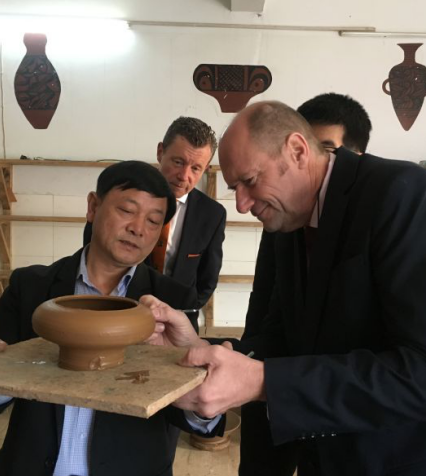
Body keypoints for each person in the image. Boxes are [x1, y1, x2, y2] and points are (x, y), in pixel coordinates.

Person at [144, 100, 426, 476]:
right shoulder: (289, 217)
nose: (241, 205)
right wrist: (200, 350)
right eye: (235, 188)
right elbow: (281, 339)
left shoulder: (401, 193)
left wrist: (265, 382)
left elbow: (418, 371)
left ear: (297, 150)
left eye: (250, 181)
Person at [0, 161, 224, 476]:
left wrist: (204, 388)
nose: (138, 228)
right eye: (127, 211)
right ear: (93, 206)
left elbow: (193, 417)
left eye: (153, 220)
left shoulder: (172, 303)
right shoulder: (31, 287)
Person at [239, 92, 373, 476]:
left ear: (355, 157)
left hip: (354, 428)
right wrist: (235, 358)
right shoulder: (282, 220)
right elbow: (267, 310)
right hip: (279, 404)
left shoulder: (386, 214)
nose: (309, 164)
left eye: (325, 151)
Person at [83, 117, 226, 327]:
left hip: (178, 319)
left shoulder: (212, 214)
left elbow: (208, 277)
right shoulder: (123, 191)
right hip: (122, 312)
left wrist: (184, 307)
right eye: (178, 162)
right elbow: (95, 251)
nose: (184, 176)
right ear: (160, 152)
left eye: (196, 168)